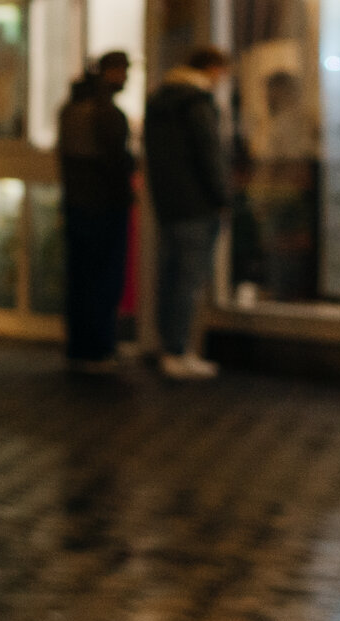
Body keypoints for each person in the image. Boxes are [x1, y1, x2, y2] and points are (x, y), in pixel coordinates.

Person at [143, 45, 233, 381]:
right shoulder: (197, 102)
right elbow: (210, 154)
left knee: (172, 277)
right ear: (211, 68)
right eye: (222, 71)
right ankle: (177, 350)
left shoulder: (161, 100)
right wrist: (222, 196)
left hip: (170, 204)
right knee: (188, 279)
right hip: (197, 203)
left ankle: (167, 345)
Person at [55, 51, 135, 372]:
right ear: (113, 72)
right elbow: (115, 162)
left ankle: (80, 347)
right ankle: (99, 349)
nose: (127, 78)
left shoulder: (72, 107)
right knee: (103, 279)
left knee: (80, 278)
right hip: (104, 205)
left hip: (77, 203)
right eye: (125, 71)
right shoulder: (106, 112)